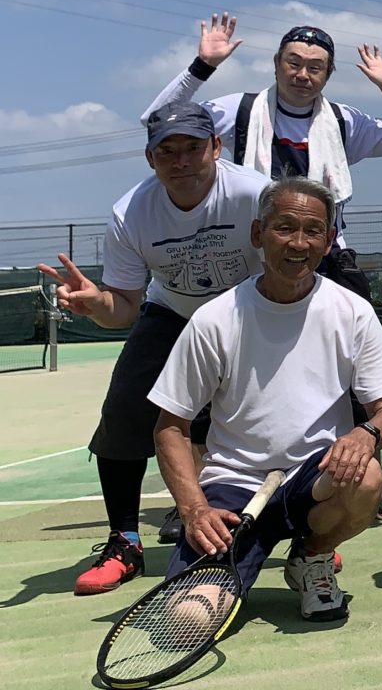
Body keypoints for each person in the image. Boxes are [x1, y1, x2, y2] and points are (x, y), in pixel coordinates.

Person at [142, 14, 382, 521]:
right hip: (254, 251)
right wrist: (202, 66)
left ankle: (365, 477)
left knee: (359, 377)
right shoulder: (240, 110)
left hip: (326, 254)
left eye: (316, 67)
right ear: (276, 65)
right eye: (294, 62)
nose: (303, 74)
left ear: (328, 75)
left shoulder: (343, 120)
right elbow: (158, 120)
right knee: (225, 377)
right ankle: (206, 491)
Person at [37, 102, 269, 596]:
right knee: (125, 410)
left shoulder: (254, 194)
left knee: (278, 413)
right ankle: (124, 541)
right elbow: (122, 308)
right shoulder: (131, 212)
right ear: (150, 158)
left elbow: (287, 266)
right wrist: (96, 304)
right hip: (172, 312)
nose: (180, 161)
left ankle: (302, 533)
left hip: (249, 312)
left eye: (192, 148)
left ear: (216, 148)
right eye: (167, 151)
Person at [150, 177, 382, 621]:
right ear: (257, 234)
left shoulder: (353, 312)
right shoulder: (214, 320)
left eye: (313, 231)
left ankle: (312, 556)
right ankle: (225, 575)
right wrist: (194, 509)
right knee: (188, 618)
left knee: (366, 477)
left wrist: (365, 435)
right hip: (234, 486)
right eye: (285, 227)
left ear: (328, 241)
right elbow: (170, 427)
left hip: (313, 479)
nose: (299, 243)